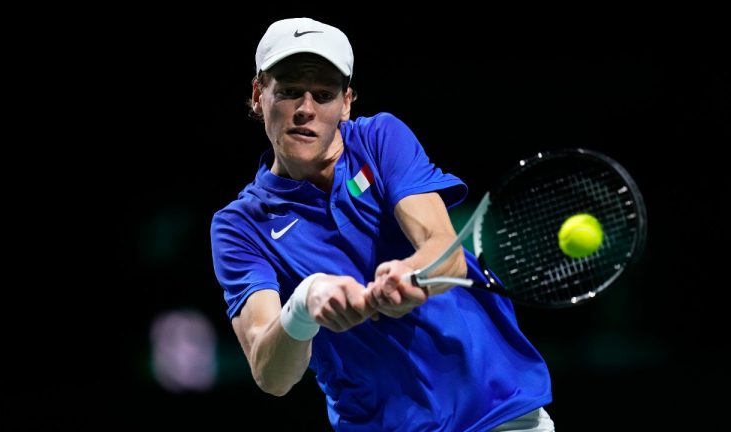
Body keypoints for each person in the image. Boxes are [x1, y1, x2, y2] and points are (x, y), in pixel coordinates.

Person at [210, 17, 555, 431]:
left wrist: (413, 276)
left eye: (323, 94)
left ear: (347, 102)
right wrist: (303, 304)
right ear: (257, 94)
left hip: (497, 412)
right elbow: (272, 375)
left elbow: (443, 249)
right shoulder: (239, 227)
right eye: (288, 91)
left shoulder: (380, 140)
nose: (305, 109)